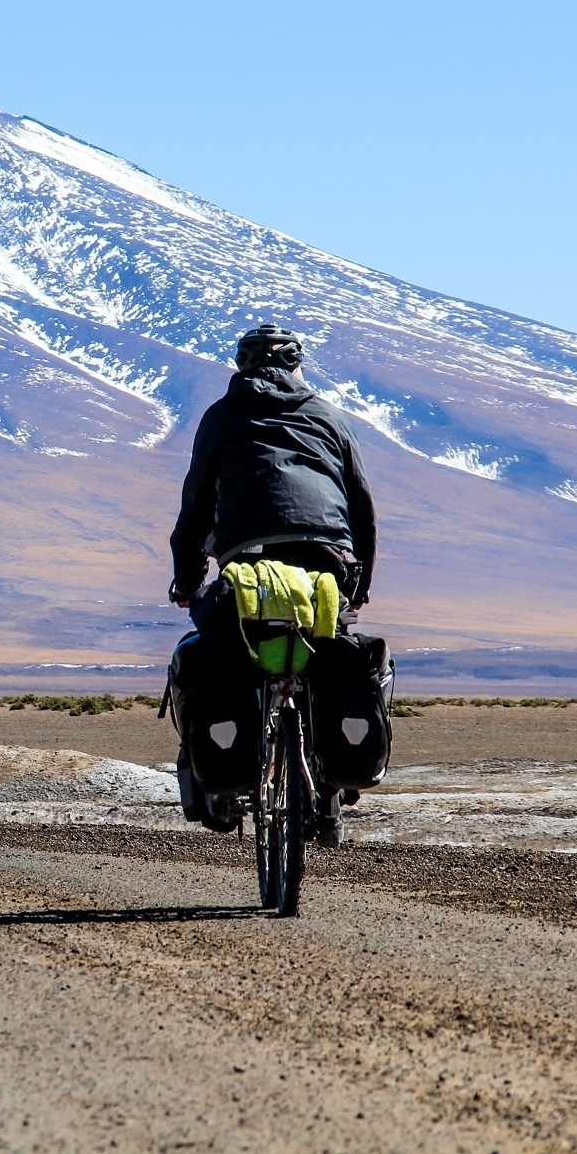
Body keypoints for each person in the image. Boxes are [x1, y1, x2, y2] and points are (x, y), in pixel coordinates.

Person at [167, 323, 377, 845]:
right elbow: (363, 509)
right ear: (296, 366)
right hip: (327, 566)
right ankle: (329, 792)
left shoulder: (221, 418)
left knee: (214, 646)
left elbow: (194, 510)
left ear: (242, 366)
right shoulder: (329, 417)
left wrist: (187, 581)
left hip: (246, 568)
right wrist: (359, 586)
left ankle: (217, 781)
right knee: (334, 646)